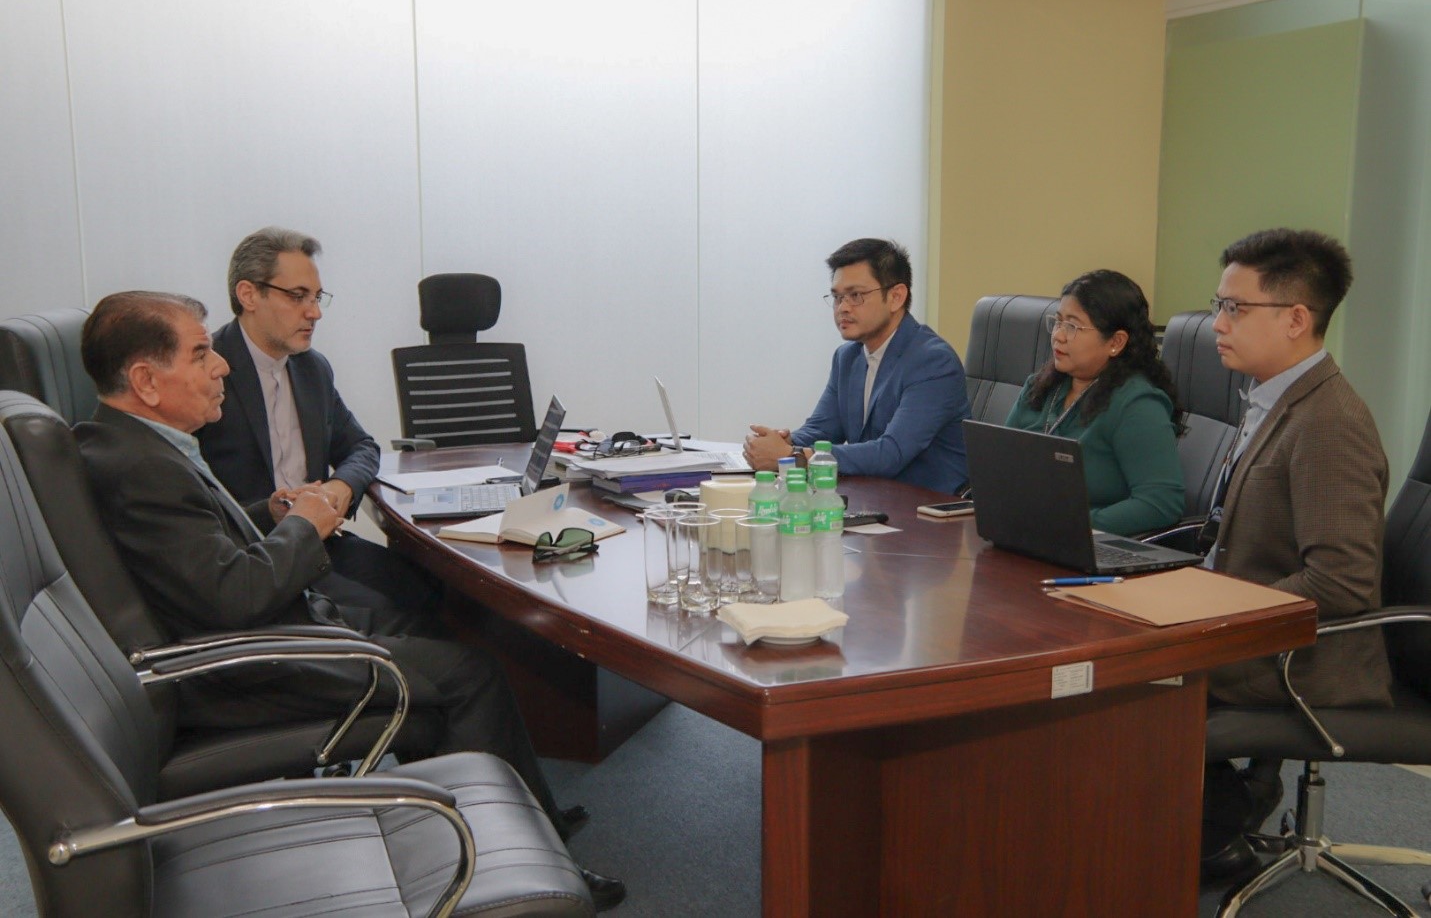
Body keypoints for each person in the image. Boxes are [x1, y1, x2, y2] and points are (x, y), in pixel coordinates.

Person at [75, 291, 625, 910]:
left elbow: (202, 555)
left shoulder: (129, 445)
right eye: (201, 353)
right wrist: (305, 525)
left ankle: (509, 823)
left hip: (267, 632)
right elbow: (237, 595)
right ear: (146, 380)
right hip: (251, 667)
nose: (220, 365)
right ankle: (525, 860)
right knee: (471, 675)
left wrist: (271, 513)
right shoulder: (142, 468)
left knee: (441, 654)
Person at [1198, 228, 1392, 880]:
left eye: (1234, 308)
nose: (1216, 323)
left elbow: (1340, 583)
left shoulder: (1328, 421)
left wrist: (1214, 614)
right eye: (1218, 304)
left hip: (1307, 657)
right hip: (1256, 628)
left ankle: (1214, 832)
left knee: (1121, 677)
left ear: (1295, 319)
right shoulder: (1272, 397)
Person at [196, 227, 440, 622]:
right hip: (253, 559)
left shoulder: (312, 369)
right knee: (402, 612)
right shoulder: (207, 371)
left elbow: (361, 447)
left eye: (316, 297)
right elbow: (197, 504)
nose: (315, 312)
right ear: (248, 295)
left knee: (438, 588)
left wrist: (339, 486)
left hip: (321, 545)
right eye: (297, 297)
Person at [743, 238, 971, 493]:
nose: (842, 308)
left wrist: (794, 456)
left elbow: (891, 453)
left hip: (928, 512)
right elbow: (821, 429)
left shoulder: (932, 362)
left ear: (896, 297)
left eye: (855, 296)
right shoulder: (847, 358)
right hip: (874, 500)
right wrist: (781, 442)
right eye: (837, 297)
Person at [1004, 270, 1184, 536]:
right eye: (1058, 321)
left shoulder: (1136, 404)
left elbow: (1161, 503)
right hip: (1023, 533)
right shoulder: (1039, 387)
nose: (1059, 336)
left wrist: (1077, 524)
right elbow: (1001, 467)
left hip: (1091, 546)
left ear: (1115, 342)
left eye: (1073, 326)